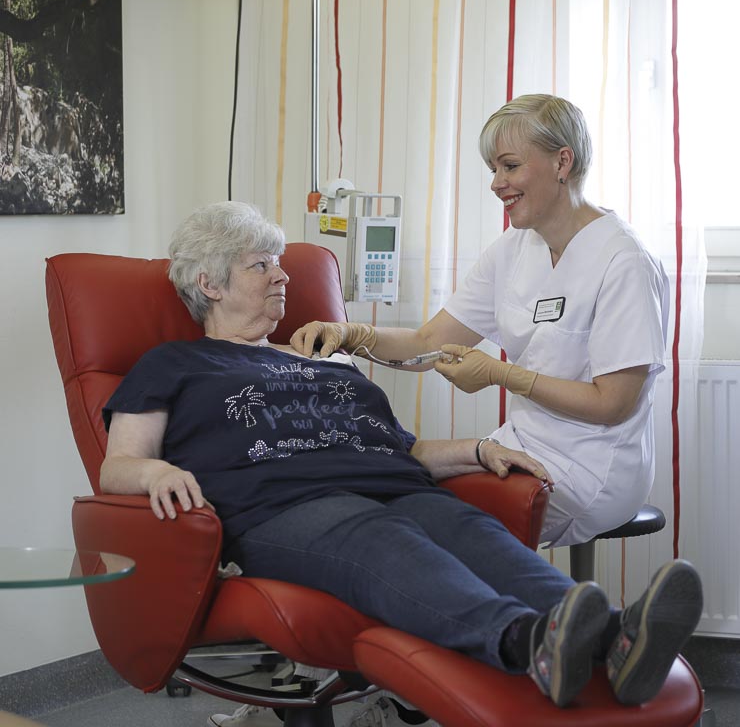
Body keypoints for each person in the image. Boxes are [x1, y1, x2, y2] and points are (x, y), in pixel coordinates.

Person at [100, 201, 700, 714]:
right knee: (382, 538)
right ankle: (525, 643)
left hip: (395, 485)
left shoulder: (323, 357)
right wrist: (156, 470)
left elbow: (404, 450)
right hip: (282, 509)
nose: (282, 276)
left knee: (468, 528)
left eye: (281, 263)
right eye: (261, 266)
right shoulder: (174, 366)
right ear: (210, 284)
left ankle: (618, 638)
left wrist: (479, 449)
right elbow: (117, 465)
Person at [291, 94, 670, 549]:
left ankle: (549, 619)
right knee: (406, 502)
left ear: (561, 162)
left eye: (509, 166)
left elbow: (613, 404)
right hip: (520, 442)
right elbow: (427, 342)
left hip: (594, 464)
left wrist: (500, 374)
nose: (496, 183)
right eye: (493, 169)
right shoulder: (514, 248)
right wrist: (352, 336)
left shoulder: (623, 261)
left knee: (440, 529)